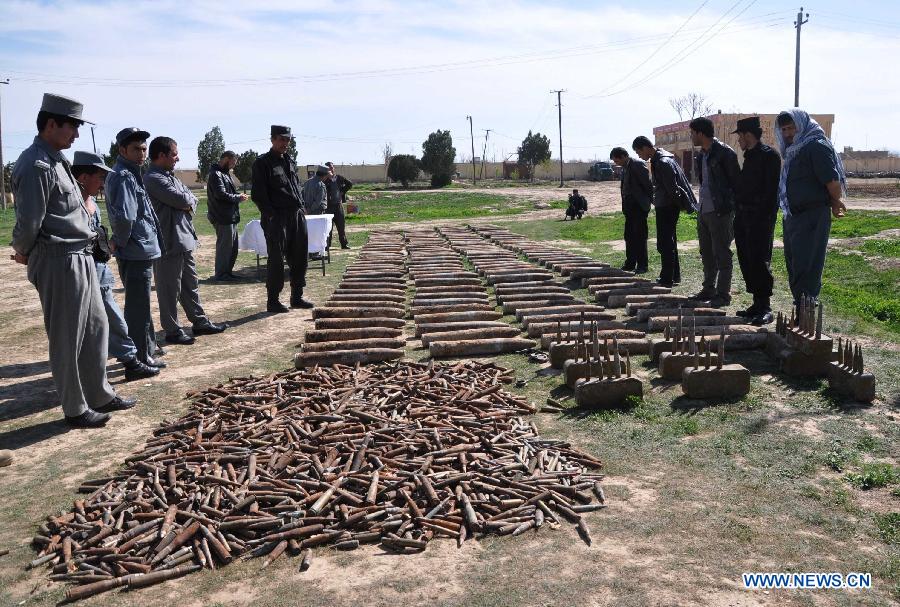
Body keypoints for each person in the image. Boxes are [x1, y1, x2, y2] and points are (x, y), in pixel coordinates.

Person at [11, 94, 134, 428]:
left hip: (79, 256)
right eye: (72, 127)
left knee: (97, 328)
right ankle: (75, 407)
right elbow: (28, 221)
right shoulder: (35, 164)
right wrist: (23, 250)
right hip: (58, 258)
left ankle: (100, 393)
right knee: (68, 336)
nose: (76, 135)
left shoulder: (56, 160)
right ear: (52, 124)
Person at [72, 151, 159, 381]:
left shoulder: (91, 203)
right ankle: (128, 362)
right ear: (83, 177)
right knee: (103, 322)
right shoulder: (70, 204)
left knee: (113, 320)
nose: (103, 182)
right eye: (99, 177)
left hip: (99, 272)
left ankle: (130, 361)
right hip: (80, 273)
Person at [144, 137, 228, 345]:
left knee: (191, 284)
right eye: (174, 154)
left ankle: (199, 322)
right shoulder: (153, 178)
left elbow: (192, 198)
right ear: (161, 155)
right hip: (168, 241)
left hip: (185, 239)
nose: (177, 158)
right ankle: (172, 330)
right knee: (169, 289)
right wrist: (186, 201)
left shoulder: (170, 176)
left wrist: (186, 201)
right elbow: (183, 200)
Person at [106, 127, 167, 370]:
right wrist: (119, 243)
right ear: (122, 150)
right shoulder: (123, 176)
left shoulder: (132, 173)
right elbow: (124, 218)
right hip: (134, 250)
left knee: (141, 306)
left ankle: (146, 352)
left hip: (140, 248)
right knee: (138, 308)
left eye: (144, 149)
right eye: (136, 149)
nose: (142, 154)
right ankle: (140, 357)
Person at [775, 109, 847, 311]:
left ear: (801, 126)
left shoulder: (815, 146)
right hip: (794, 216)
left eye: (791, 128)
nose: (787, 133)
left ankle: (806, 309)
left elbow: (832, 182)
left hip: (812, 215)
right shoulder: (795, 150)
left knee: (808, 265)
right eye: (784, 130)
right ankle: (800, 304)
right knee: (795, 263)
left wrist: (835, 201)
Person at [251, 125, 313, 312]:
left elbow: (296, 187)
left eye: (287, 140)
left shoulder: (289, 161)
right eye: (281, 139)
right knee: (277, 260)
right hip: (276, 217)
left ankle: (297, 296)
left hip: (296, 215)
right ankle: (273, 301)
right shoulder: (262, 163)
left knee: (300, 255)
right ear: (272, 139)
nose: (285, 143)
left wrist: (302, 208)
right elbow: (258, 194)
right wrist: (270, 215)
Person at [733, 116, 782, 325]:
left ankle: (765, 306)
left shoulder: (769, 156)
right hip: (743, 217)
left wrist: (761, 218)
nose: (738, 141)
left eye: (740, 136)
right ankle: (756, 303)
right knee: (747, 260)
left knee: (760, 261)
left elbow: (771, 192)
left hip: (760, 218)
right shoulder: (750, 155)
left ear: (747, 135)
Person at [689, 117, 740, 307]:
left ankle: (723, 294)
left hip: (720, 212)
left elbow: (735, 185)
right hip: (703, 210)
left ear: (701, 133)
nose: (691, 136)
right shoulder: (701, 155)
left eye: (692, 133)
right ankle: (708, 288)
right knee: (707, 253)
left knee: (722, 253)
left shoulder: (725, 153)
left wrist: (729, 209)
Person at [632, 135, 696, 287]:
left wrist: (675, 205)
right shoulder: (661, 159)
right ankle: (674, 276)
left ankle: (667, 278)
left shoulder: (662, 161)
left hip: (667, 206)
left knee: (665, 243)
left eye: (638, 152)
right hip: (666, 205)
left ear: (645, 148)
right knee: (669, 242)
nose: (639, 156)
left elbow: (672, 189)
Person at [207, 150, 248, 281]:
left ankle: (227, 272)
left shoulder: (224, 174)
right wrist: (238, 197)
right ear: (225, 159)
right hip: (222, 216)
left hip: (229, 216)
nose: (233, 166)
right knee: (225, 247)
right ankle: (221, 274)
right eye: (232, 163)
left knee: (232, 247)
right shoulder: (216, 174)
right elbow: (220, 194)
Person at [611, 147, 651, 273]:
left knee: (639, 236)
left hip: (639, 207)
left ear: (623, 156)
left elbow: (647, 185)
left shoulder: (637, 164)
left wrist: (646, 203)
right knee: (629, 236)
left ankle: (642, 265)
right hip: (629, 208)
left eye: (617, 161)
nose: (616, 164)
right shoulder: (625, 168)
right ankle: (630, 263)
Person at [324, 161, 352, 249]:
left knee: (341, 225)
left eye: (332, 167)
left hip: (338, 206)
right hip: (329, 207)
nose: (331, 169)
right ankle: (327, 245)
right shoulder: (325, 180)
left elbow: (349, 184)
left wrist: (342, 191)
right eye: (329, 168)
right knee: (329, 227)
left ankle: (344, 244)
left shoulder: (339, 178)